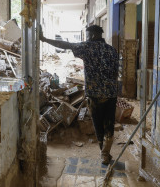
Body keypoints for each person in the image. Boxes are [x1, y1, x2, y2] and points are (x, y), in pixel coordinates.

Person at [40, 25, 119, 165]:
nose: (86, 38)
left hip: (95, 95)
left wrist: (44, 39)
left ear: (93, 35)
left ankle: (104, 154)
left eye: (88, 35)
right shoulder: (112, 50)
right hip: (111, 94)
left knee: (98, 125)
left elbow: (66, 45)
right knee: (109, 124)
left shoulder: (88, 47)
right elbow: (114, 73)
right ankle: (106, 152)